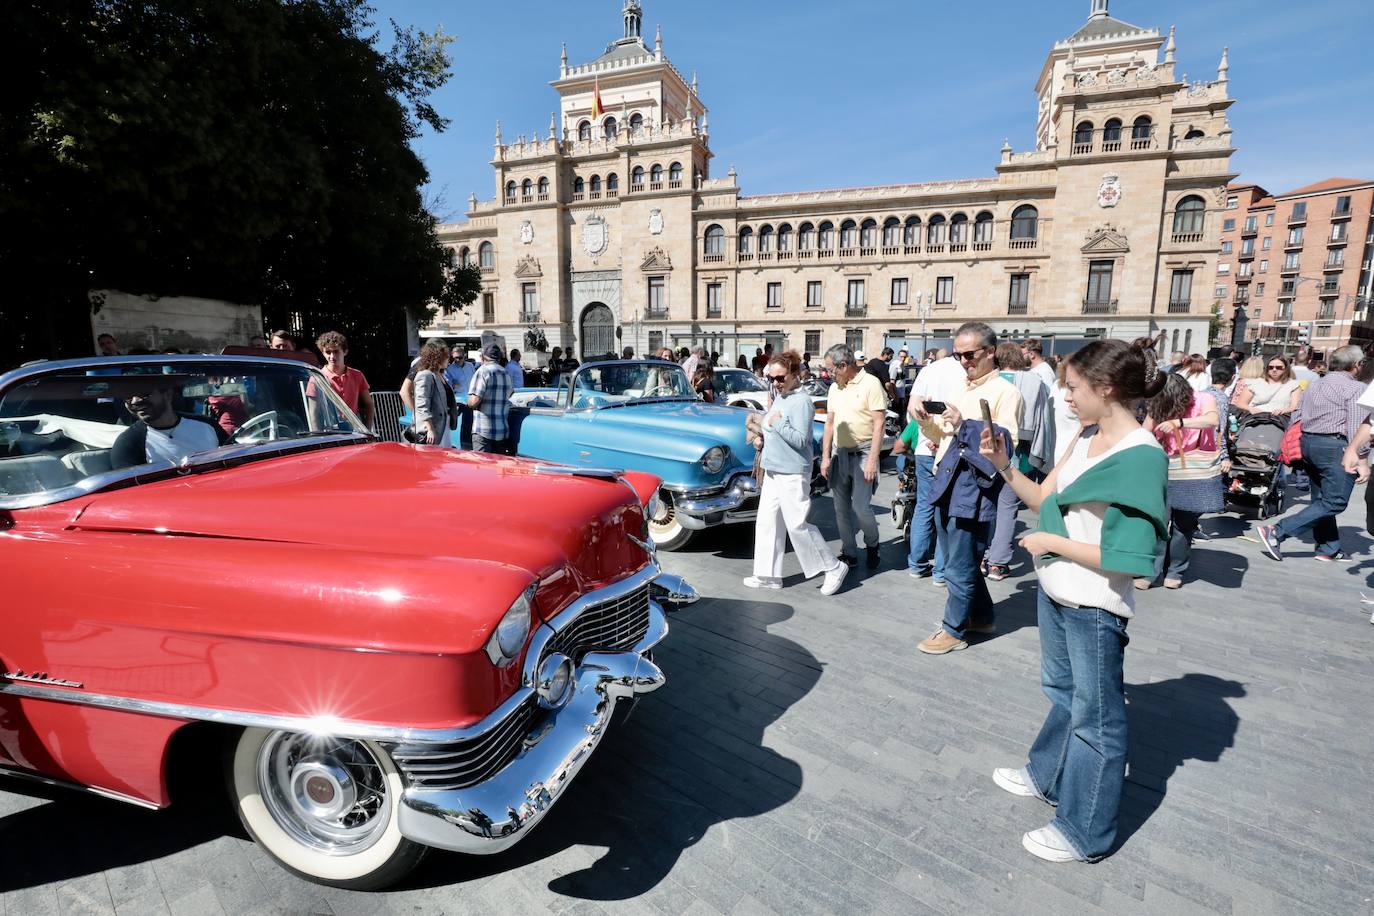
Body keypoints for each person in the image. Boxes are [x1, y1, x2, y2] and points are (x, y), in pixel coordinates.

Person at [984, 337, 1168, 864]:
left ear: (1105, 389)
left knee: (1098, 719)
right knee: (1064, 693)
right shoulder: (1086, 435)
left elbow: (1129, 559)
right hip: (1058, 590)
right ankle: (1047, 775)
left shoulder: (1140, 457)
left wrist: (1051, 543)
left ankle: (1085, 831)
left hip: (1093, 604)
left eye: (1073, 388)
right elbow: (1045, 497)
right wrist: (1004, 465)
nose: (1065, 397)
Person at [912, 322, 1022, 654]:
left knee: (959, 562)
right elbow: (943, 439)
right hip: (946, 478)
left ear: (990, 352)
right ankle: (983, 617)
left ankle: (954, 630)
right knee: (963, 559)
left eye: (969, 354)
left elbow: (1006, 445)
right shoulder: (961, 388)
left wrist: (962, 425)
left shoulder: (1006, 393)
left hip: (972, 486)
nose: (964, 361)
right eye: (958, 355)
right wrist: (924, 422)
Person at [746, 350, 849, 595]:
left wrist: (775, 424)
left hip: (792, 472)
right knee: (767, 522)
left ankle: (833, 567)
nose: (775, 383)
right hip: (773, 469)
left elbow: (802, 440)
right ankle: (767, 575)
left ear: (794, 374)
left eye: (780, 378)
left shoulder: (801, 401)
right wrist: (762, 436)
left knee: (797, 524)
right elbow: (774, 427)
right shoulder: (782, 396)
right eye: (771, 378)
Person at [1258, 345, 1369, 562]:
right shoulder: (1355, 389)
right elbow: (1359, 426)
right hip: (1335, 445)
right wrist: (1362, 458)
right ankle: (1278, 531)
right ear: (1356, 365)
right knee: (1335, 501)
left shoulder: (1315, 384)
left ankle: (1328, 547)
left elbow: (1297, 415)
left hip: (1309, 443)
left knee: (1322, 499)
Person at [1138, 374, 1222, 589]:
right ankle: (1150, 571)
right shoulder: (1159, 403)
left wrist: (1179, 422)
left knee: (1183, 524)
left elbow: (1213, 420)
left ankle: (1175, 570)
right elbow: (1144, 432)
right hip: (1165, 466)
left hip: (1193, 469)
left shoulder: (1204, 399)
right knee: (1158, 521)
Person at [983, 343, 1054, 580]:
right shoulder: (1035, 382)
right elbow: (1043, 421)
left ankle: (983, 554)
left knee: (985, 504)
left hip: (985, 449)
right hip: (1018, 453)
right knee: (1007, 507)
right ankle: (997, 562)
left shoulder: (987, 381)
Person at [821, 343, 887, 569]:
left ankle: (873, 542)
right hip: (840, 454)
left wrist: (872, 460)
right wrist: (825, 456)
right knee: (840, 508)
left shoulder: (871, 383)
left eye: (831, 369)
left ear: (843, 365)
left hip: (864, 452)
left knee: (860, 507)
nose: (828, 374)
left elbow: (879, 424)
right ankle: (849, 552)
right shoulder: (834, 388)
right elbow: (829, 424)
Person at [903, 349, 967, 583]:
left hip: (924, 447)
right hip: (950, 446)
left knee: (924, 506)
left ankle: (917, 564)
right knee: (946, 510)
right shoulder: (968, 372)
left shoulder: (930, 370)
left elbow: (913, 407)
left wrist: (926, 429)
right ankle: (941, 572)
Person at [111, 380, 226, 469]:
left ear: (167, 394)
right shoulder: (129, 443)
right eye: (127, 397)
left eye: (144, 393)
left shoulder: (207, 425)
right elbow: (129, 493)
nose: (135, 401)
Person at [314, 331, 374, 430]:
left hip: (354, 427)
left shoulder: (357, 375)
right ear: (323, 353)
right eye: (328, 352)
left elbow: (369, 404)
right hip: (328, 429)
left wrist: (368, 430)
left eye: (336, 351)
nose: (332, 357)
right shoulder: (317, 377)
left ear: (345, 351)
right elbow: (313, 412)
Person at [468, 343, 514, 454]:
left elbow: (474, 401)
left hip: (483, 429)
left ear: (483, 357)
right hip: (501, 429)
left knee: (483, 468)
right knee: (498, 468)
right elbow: (510, 393)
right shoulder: (505, 372)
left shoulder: (483, 371)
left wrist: (468, 402)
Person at [412, 340, 454, 447]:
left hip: (443, 425)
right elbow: (422, 404)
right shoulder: (425, 375)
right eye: (446, 356)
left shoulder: (439, 374)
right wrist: (430, 429)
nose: (449, 359)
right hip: (431, 428)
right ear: (438, 357)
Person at [1234, 356, 1301, 416]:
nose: (1274, 370)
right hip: (1255, 418)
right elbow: (1240, 404)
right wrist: (1251, 409)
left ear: (1285, 369)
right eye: (1271, 367)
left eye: (1278, 367)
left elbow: (1294, 406)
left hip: (1280, 420)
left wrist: (1284, 411)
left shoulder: (1293, 385)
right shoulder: (1254, 383)